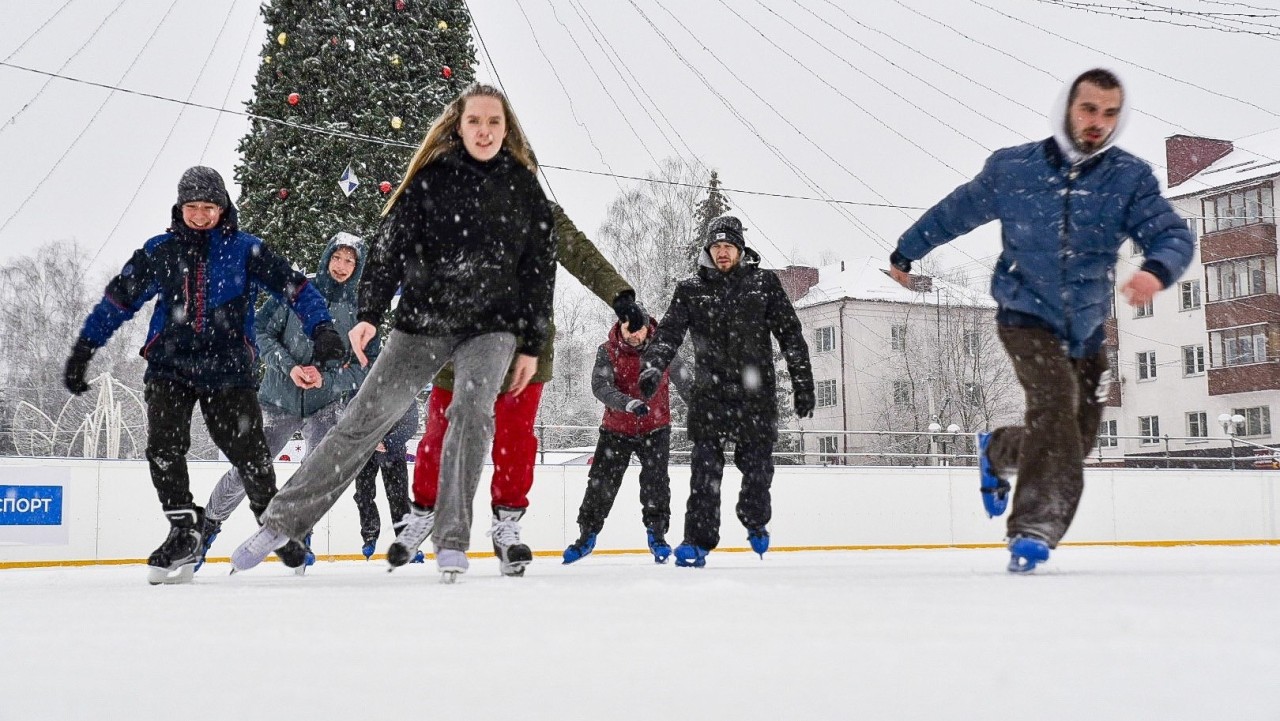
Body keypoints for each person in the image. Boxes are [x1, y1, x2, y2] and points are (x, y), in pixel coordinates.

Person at [230, 83, 557, 583]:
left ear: (506, 128)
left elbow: (539, 269)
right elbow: (387, 249)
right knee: (363, 420)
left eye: (495, 122)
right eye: (475, 121)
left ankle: (452, 539)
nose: (485, 131)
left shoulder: (523, 186)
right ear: (459, 125)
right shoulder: (432, 179)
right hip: (422, 323)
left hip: (492, 327)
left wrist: (533, 343)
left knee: (471, 410)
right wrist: (369, 314)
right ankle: (281, 522)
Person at [887, 68, 1195, 574]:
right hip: (1024, 315)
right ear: (1067, 108)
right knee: (1053, 410)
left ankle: (999, 450)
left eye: (1110, 113)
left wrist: (1157, 270)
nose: (1098, 122)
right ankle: (1034, 527)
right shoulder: (1014, 170)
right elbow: (955, 211)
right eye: (1089, 108)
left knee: (1079, 439)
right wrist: (906, 252)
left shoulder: (1128, 179)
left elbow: (1171, 233)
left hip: (1087, 328)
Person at [62, 166, 344, 585]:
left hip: (228, 369)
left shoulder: (247, 250)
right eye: (191, 207)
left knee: (248, 451)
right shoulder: (160, 250)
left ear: (222, 207)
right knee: (163, 445)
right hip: (170, 367)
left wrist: (322, 328)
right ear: (180, 208)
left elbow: (296, 288)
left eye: (208, 207)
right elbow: (118, 301)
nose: (199, 215)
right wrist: (85, 348)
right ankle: (183, 529)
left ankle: (276, 526)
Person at [405, 203, 640, 577]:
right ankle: (423, 510)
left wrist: (619, 296)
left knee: (515, 442)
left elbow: (580, 253)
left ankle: (507, 526)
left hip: (525, 353)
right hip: (461, 348)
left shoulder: (541, 212)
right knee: (439, 436)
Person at [639, 215, 814, 568]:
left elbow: (790, 335)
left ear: (740, 250)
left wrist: (802, 382)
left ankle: (755, 520)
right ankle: (696, 542)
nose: (722, 253)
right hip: (710, 394)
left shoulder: (763, 284)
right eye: (716, 247)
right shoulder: (690, 289)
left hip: (756, 395)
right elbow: (670, 332)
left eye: (728, 246)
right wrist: (653, 366)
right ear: (708, 251)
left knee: (758, 469)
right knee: (704, 473)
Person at [196, 233, 375, 572]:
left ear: (358, 266)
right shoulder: (297, 290)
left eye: (350, 261)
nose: (342, 266)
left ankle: (298, 533)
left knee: (316, 472)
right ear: (326, 258)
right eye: (337, 258)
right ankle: (206, 529)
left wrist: (330, 380)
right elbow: (260, 331)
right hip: (279, 398)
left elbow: (367, 366)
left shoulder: (361, 309)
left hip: (324, 403)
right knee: (247, 467)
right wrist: (289, 366)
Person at [562, 307, 691, 565]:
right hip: (616, 429)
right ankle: (587, 536)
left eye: (638, 330)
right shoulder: (607, 350)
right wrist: (627, 403)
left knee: (656, 483)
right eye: (627, 330)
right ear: (620, 326)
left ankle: (657, 536)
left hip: (655, 428)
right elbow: (600, 386)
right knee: (601, 484)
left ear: (647, 327)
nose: (633, 336)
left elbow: (687, 383)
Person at [354, 401, 419, 560]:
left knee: (399, 499)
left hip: (393, 453)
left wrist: (388, 442)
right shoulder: (363, 385)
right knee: (363, 495)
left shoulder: (405, 389)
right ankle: (370, 535)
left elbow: (411, 423)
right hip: (365, 452)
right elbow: (351, 414)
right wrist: (369, 439)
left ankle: (405, 542)